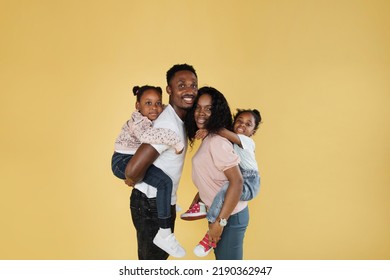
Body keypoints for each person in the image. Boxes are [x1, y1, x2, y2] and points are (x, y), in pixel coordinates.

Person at [124, 64, 198, 260]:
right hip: (151, 205)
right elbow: (131, 171)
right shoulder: (167, 124)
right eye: (181, 85)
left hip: (161, 202)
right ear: (169, 90)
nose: (189, 90)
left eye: (193, 85)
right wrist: (134, 178)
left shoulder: (178, 118)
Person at [111, 85, 185, 257]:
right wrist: (176, 141)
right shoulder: (139, 122)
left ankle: (163, 202)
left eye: (158, 103)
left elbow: (167, 109)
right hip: (123, 161)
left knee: (163, 182)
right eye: (148, 103)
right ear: (138, 106)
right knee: (164, 182)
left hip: (132, 158)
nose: (154, 108)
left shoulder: (156, 114)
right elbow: (149, 137)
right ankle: (164, 234)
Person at [183, 108, 262, 257]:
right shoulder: (230, 142)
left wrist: (208, 129)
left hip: (250, 182)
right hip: (236, 193)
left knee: (228, 186)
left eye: (248, 124)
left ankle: (213, 224)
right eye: (239, 121)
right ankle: (202, 208)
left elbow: (224, 132)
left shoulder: (247, 142)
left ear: (253, 132)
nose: (242, 125)